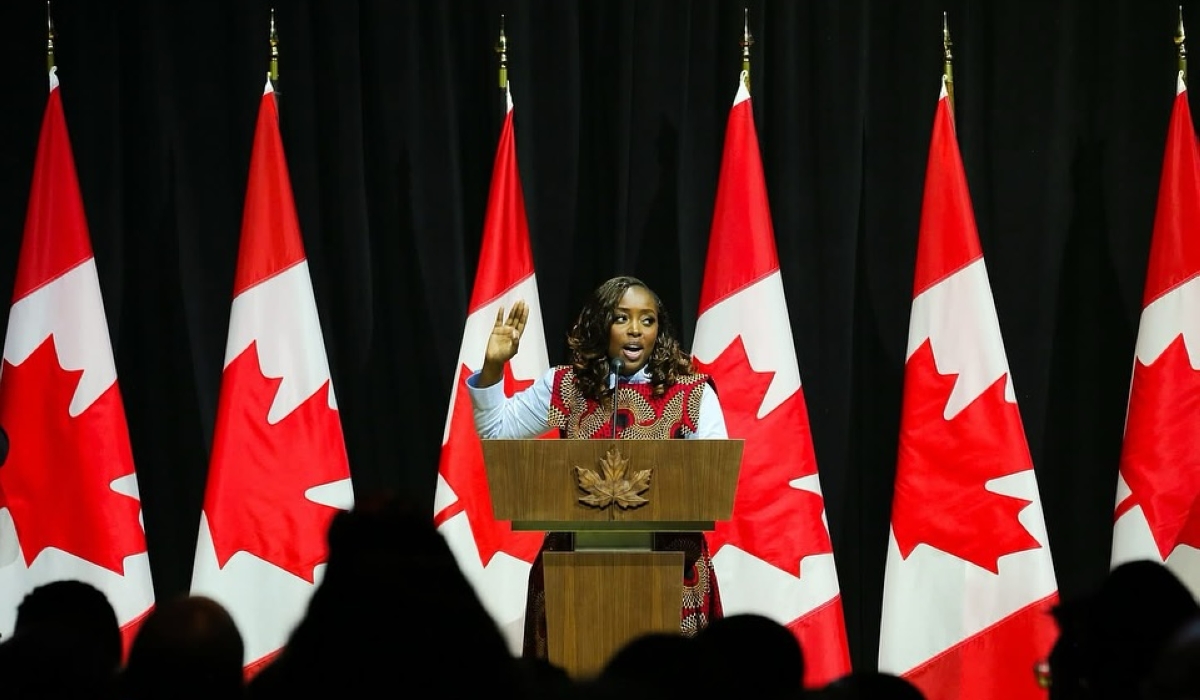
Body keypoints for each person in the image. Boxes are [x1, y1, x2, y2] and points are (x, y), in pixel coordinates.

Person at [467, 275, 728, 659]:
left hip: (672, 576)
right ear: (600, 323)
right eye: (622, 318)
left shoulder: (691, 393)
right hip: (571, 578)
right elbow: (496, 433)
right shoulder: (566, 386)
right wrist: (492, 368)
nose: (636, 330)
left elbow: (712, 481)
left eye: (647, 319)